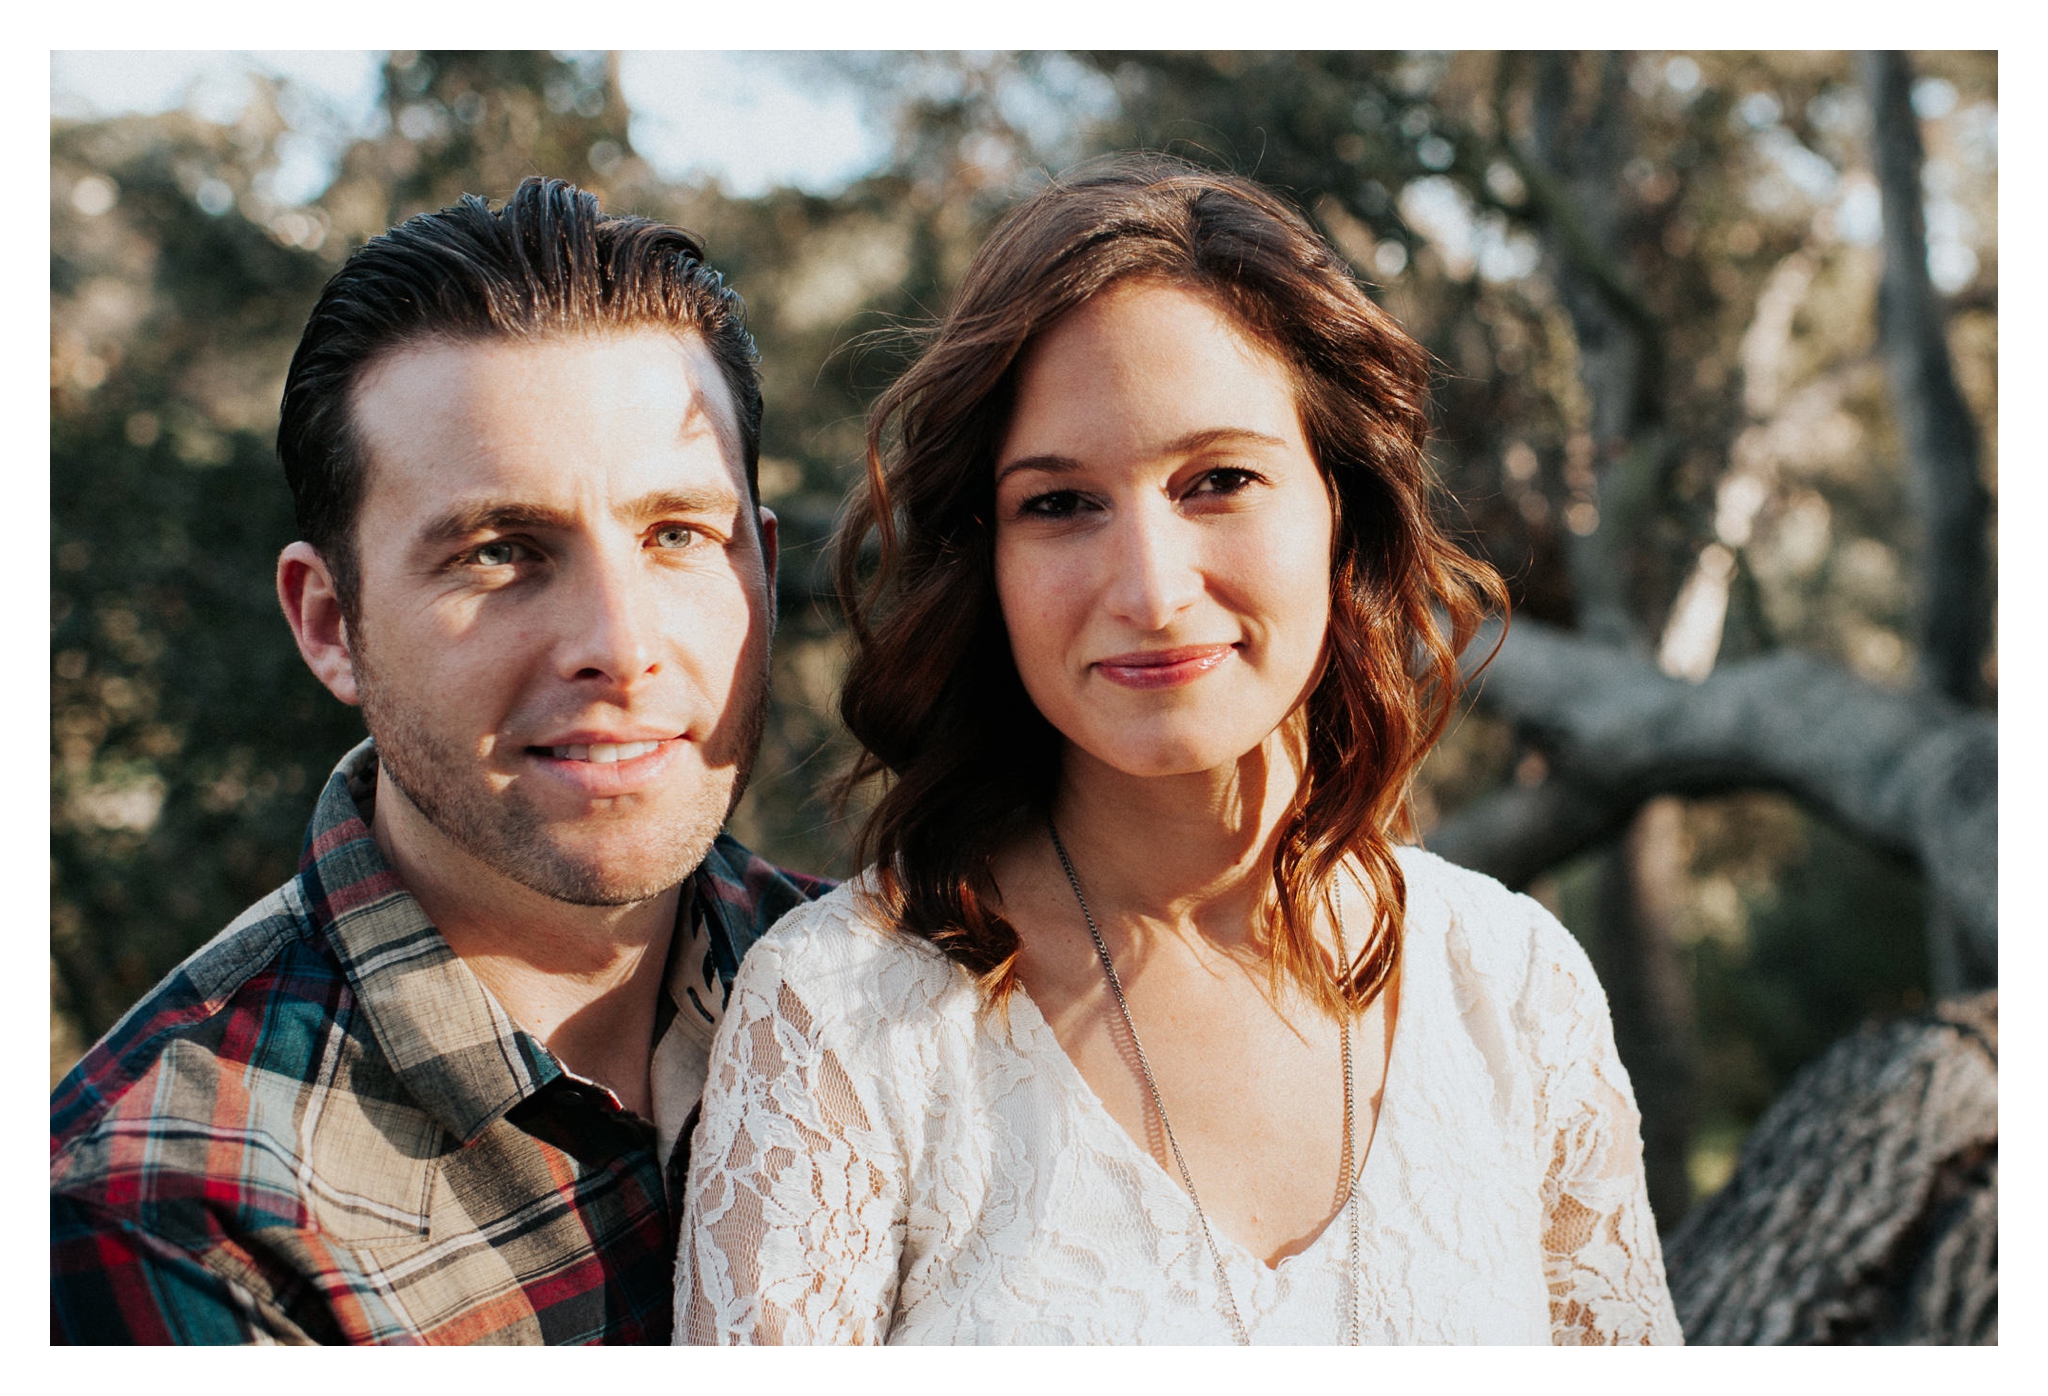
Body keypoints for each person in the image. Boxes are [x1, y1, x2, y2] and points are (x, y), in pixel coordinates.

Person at [675, 156, 1682, 1345]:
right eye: (1058, 503)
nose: (1150, 591)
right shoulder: (841, 1015)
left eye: (1218, 480)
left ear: (1339, 509)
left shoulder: (1515, 990)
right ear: (983, 556)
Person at [51, 177, 829, 1344]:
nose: (619, 648)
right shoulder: (166, 1216)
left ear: (760, 574)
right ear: (329, 623)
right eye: (500, 551)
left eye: (676, 534)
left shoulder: (902, 994)